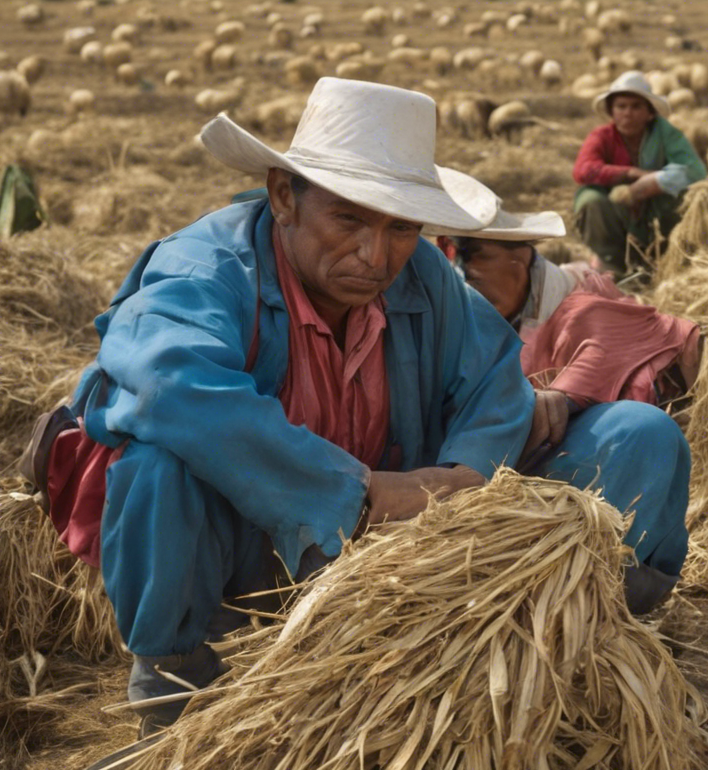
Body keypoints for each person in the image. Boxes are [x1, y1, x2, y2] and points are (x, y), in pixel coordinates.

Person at [51, 78, 537, 739]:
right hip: (230, 549)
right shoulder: (207, 269)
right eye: (349, 220)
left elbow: (499, 379)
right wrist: (359, 494)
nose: (377, 255)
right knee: (162, 464)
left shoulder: (423, 277)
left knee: (632, 438)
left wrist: (463, 479)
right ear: (284, 196)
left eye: (401, 227)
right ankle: (172, 695)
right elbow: (169, 385)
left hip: (370, 562)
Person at [431, 204, 692, 614]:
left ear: (520, 260)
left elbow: (601, 354)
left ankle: (591, 593)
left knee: (642, 433)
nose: (465, 270)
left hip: (550, 461)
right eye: (452, 253)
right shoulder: (454, 309)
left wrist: (557, 396)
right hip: (475, 472)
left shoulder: (579, 303)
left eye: (476, 254)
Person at [572, 71, 707, 276]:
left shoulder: (665, 133)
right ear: (612, 111)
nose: (628, 113)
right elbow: (583, 169)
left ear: (649, 112)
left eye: (636, 107)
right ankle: (612, 262)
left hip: (656, 213)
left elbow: (695, 169)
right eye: (621, 106)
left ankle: (670, 257)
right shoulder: (602, 136)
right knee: (590, 199)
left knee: (689, 197)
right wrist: (631, 173)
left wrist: (655, 181)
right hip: (616, 213)